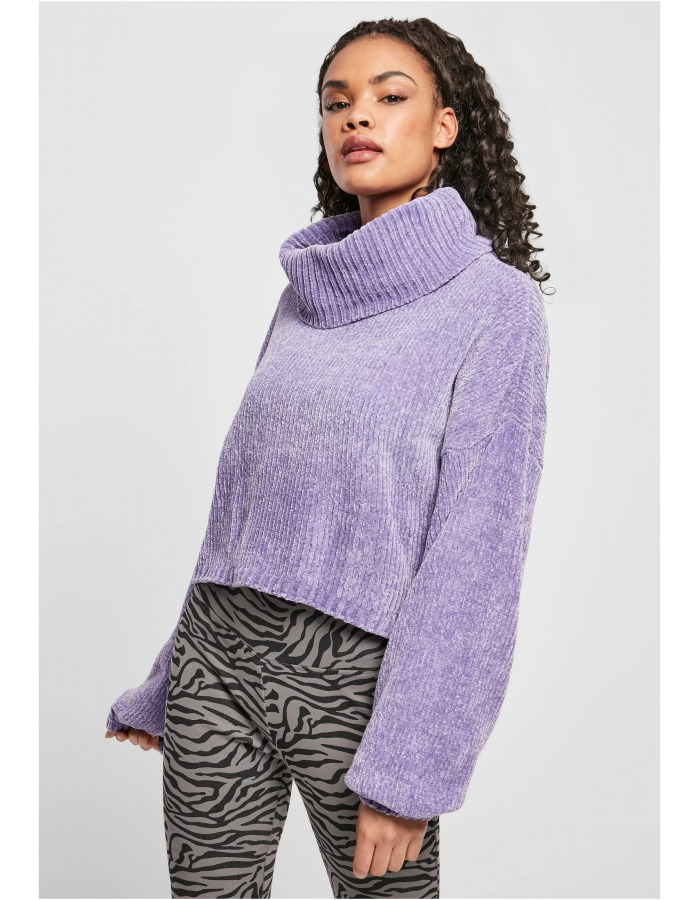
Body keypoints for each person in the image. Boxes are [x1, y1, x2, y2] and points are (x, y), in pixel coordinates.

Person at [105, 15, 552, 899]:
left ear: (445, 125)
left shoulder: (495, 308)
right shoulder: (302, 298)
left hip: (358, 689)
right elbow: (245, 511)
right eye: (336, 102)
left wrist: (412, 770)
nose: (358, 117)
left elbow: (477, 556)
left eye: (390, 96)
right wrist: (169, 674)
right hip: (215, 667)